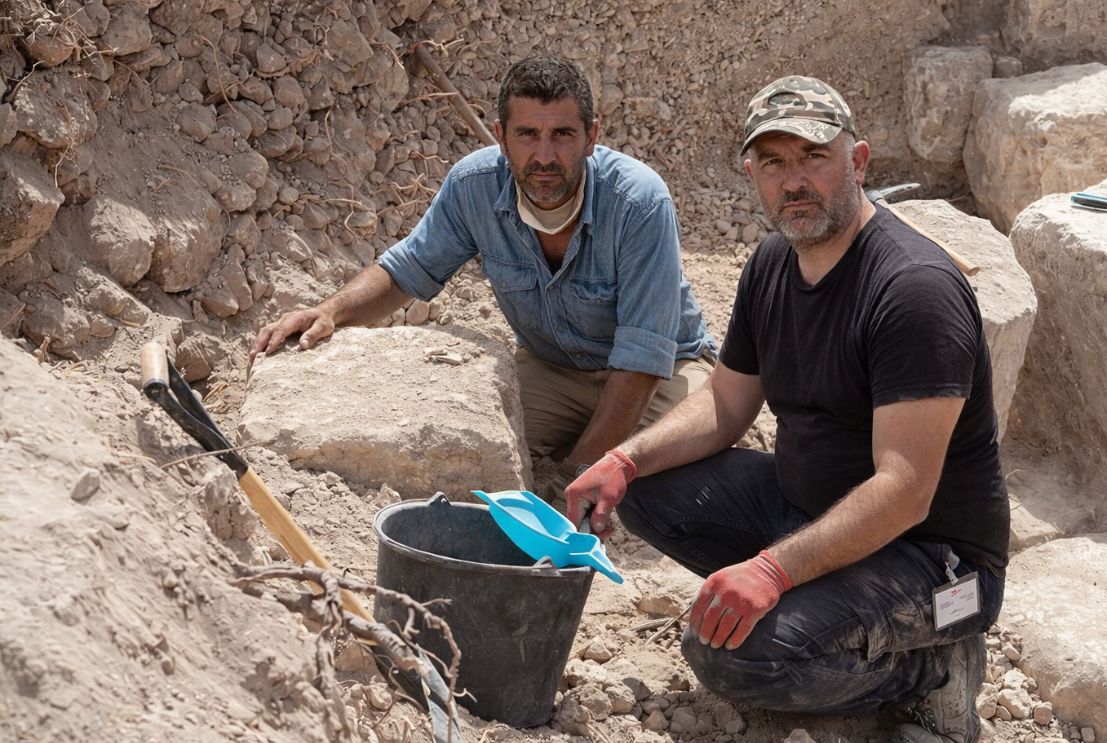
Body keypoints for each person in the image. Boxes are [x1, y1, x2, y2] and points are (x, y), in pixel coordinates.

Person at [564, 75, 1008, 743]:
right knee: (646, 487)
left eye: (812, 157)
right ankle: (814, 600)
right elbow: (723, 402)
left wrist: (771, 570)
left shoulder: (914, 291)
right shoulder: (773, 262)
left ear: (856, 162)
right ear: (752, 173)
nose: (792, 180)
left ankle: (931, 670)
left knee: (731, 655)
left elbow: (906, 489)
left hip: (943, 571)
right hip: (808, 509)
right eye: (773, 162)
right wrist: (622, 459)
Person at [252, 56, 717, 478]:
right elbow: (407, 271)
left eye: (563, 135)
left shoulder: (639, 201)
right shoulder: (473, 186)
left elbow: (641, 361)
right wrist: (332, 310)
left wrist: (574, 473)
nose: (545, 157)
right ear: (501, 137)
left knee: (666, 475)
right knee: (481, 459)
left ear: (592, 137)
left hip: (665, 373)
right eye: (528, 135)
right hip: (554, 368)